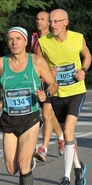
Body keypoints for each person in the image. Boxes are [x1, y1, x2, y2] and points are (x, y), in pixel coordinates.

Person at [0, 27, 58, 185]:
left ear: (25, 41)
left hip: (30, 118)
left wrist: (46, 94)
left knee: (22, 163)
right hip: (9, 119)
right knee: (11, 169)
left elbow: (53, 84)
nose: (14, 42)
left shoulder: (36, 62)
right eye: (10, 39)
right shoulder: (1, 64)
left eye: (18, 39)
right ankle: (28, 160)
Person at [36, 8, 92, 185]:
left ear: (66, 22)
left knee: (67, 130)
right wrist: (46, 73)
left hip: (76, 91)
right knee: (68, 136)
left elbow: (88, 55)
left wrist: (84, 70)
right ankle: (78, 167)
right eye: (50, 21)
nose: (52, 25)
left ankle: (66, 180)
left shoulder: (77, 37)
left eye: (56, 21)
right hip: (57, 94)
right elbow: (37, 65)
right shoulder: (43, 42)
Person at [29, 11, 64, 162]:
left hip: (51, 81)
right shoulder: (32, 38)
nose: (39, 21)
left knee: (47, 114)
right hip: (36, 81)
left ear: (49, 22)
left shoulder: (54, 38)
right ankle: (62, 137)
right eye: (37, 19)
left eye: (42, 19)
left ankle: (43, 148)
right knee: (49, 115)